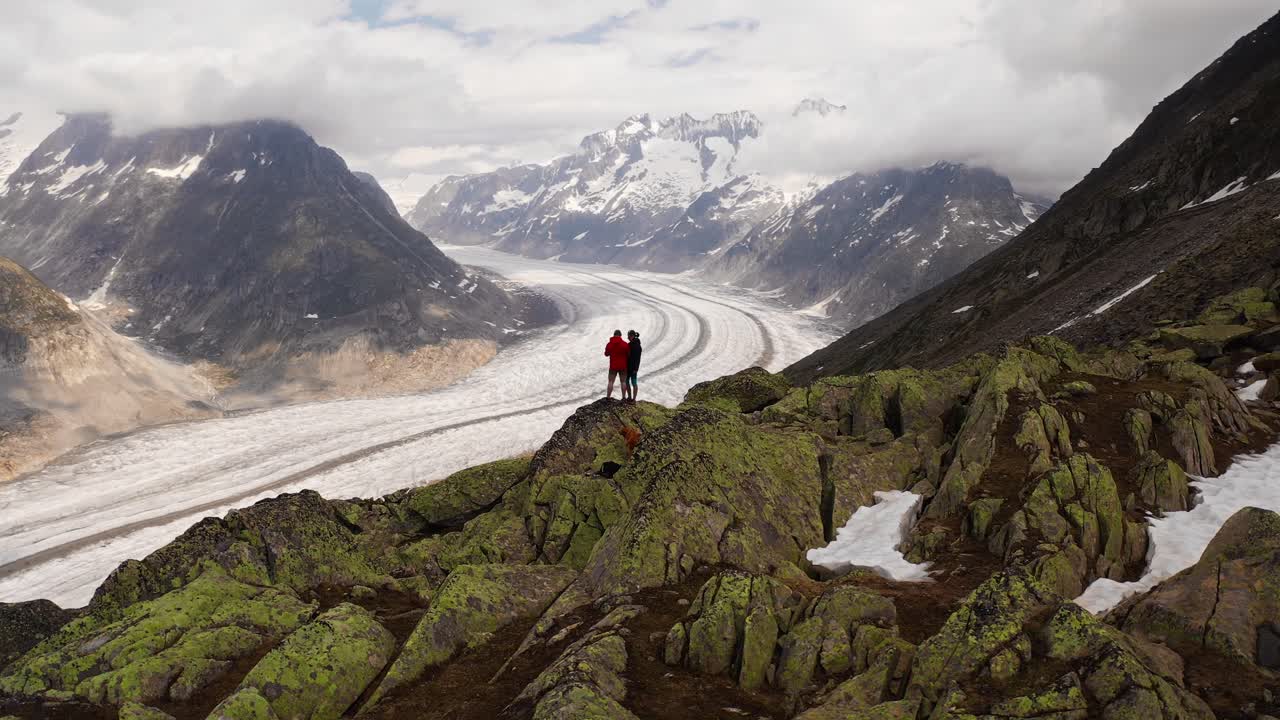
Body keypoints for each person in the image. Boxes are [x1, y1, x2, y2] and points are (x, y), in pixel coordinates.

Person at [604, 329, 630, 399]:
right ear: (620, 335)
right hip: (623, 366)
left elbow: (606, 354)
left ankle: (608, 397)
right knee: (623, 382)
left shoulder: (609, 344)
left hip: (613, 366)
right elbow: (628, 354)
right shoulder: (625, 344)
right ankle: (624, 397)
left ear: (614, 335)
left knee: (611, 381)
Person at [625, 330, 642, 402]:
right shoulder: (638, 345)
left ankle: (630, 397)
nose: (627, 337)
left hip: (630, 367)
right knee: (633, 382)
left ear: (631, 336)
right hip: (633, 367)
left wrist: (635, 368)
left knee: (628, 382)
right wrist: (636, 368)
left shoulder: (631, 345)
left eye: (628, 336)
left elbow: (633, 357)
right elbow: (638, 358)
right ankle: (633, 398)